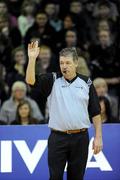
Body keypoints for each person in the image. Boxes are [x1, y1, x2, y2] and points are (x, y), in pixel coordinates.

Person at [26, 41, 103, 180]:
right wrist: (32, 59)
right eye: (62, 63)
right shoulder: (53, 79)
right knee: (55, 177)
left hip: (80, 138)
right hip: (58, 138)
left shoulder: (86, 82)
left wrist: (98, 137)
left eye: (67, 63)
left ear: (76, 63)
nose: (64, 66)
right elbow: (30, 81)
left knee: (77, 177)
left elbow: (96, 112)